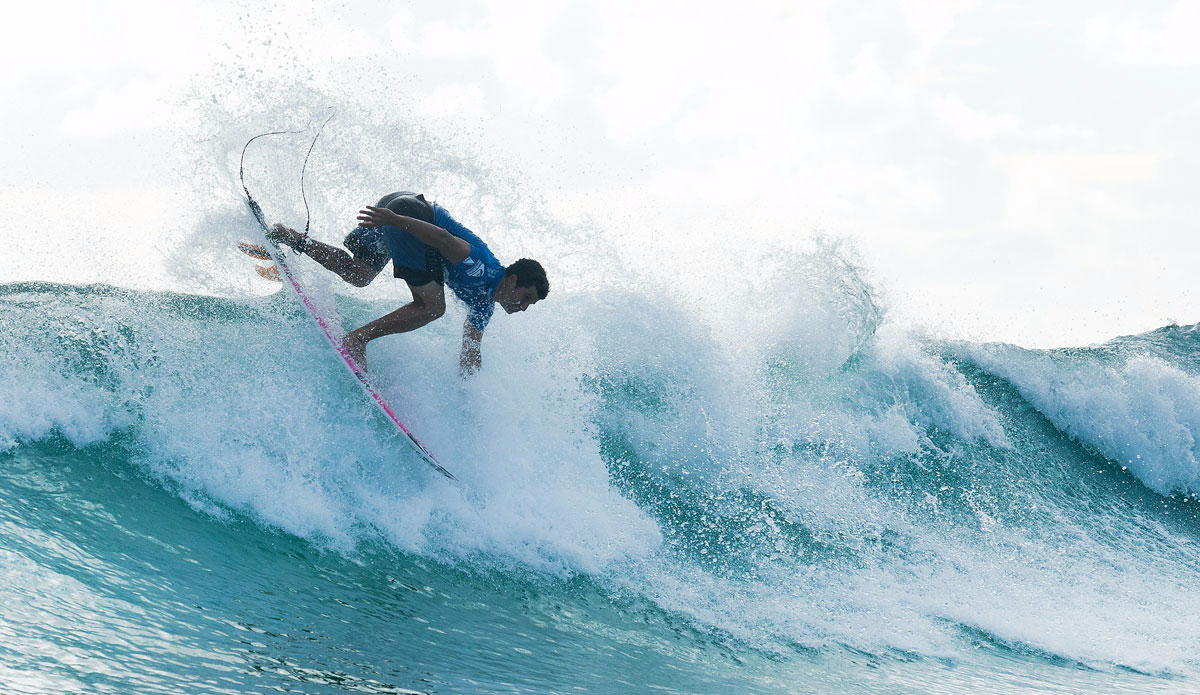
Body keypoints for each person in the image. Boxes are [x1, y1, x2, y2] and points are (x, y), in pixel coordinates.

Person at [268, 191, 548, 376]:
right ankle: (357, 340)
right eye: (526, 297)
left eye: (529, 305)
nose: (523, 307)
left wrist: (470, 394)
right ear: (512, 280)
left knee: (359, 274)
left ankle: (288, 236)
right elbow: (443, 240)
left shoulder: (483, 307)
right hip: (409, 215)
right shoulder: (481, 267)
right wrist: (397, 220)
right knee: (433, 307)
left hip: (398, 206)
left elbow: (471, 353)